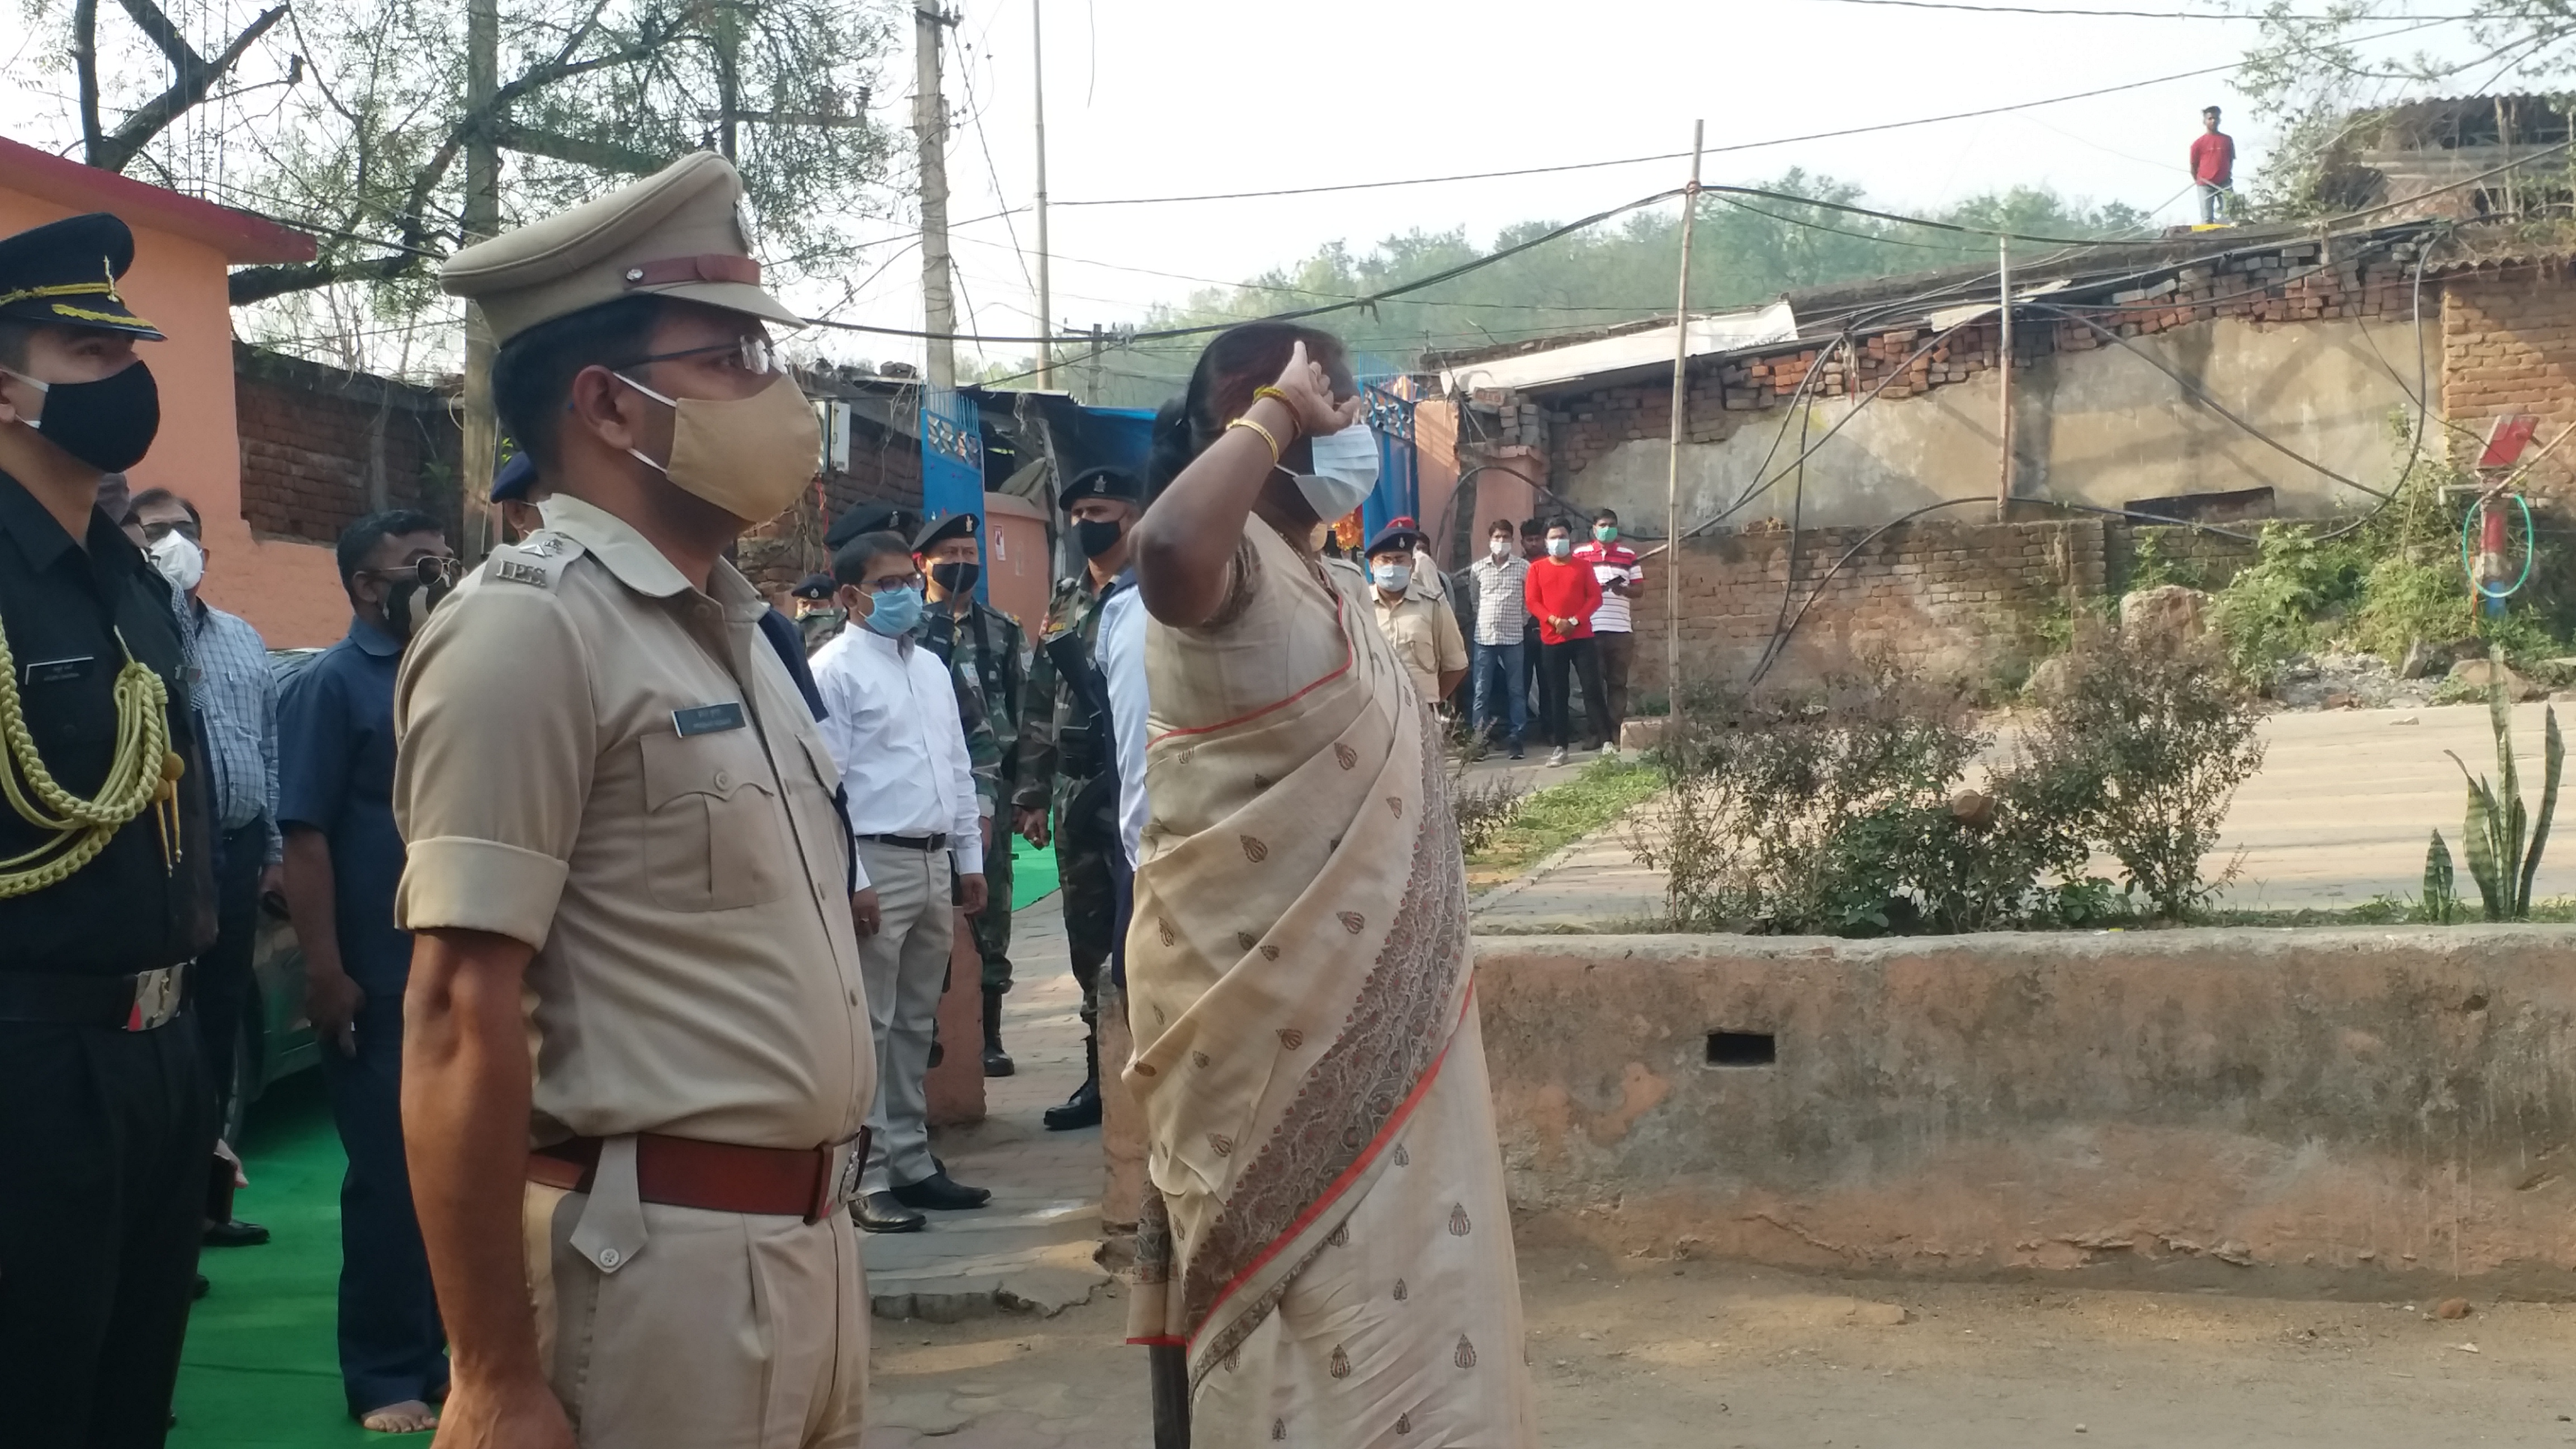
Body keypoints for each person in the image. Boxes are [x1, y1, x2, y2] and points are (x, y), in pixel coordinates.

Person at [396, 151, 874, 1448]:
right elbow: (452, 1009)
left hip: (810, 1251)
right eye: (730, 359)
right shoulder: (526, 633)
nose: (775, 395)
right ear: (609, 404)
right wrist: (492, 1372)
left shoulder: (733, 634)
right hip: (653, 1275)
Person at [1124, 321, 1537, 1446]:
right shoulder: (1227, 578)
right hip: (1266, 1054)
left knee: (1426, 1294)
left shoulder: (1343, 588)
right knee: (1307, 1330)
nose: (1334, 416)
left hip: (1397, 1041)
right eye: (1305, 400)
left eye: (1342, 397)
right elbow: (1168, 555)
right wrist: (1277, 417)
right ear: (1236, 429)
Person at [0, 211, 220, 1449]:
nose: (128, 382)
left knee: (132, 1395)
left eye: (128, 353)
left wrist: (184, 1078)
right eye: (90, 360)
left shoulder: (132, 578)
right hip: (26, 1064)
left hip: (154, 1050)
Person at [277, 509, 457, 1433]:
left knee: (458, 1174)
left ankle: (440, 1356)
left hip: (458, 965)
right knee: (390, 1177)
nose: (436, 576)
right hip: (377, 975)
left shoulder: (455, 676)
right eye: (416, 565)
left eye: (442, 560)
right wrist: (326, 970)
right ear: (364, 586)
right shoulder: (331, 686)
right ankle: (384, 1372)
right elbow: (303, 837)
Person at [808, 530, 992, 1234]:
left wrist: (968, 862)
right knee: (872, 1024)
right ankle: (870, 1175)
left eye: (907, 580)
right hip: (876, 861)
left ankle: (914, 1161)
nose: (905, 593)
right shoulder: (836, 670)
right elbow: (832, 785)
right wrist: (854, 877)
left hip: (932, 854)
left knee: (918, 1019)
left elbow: (954, 767)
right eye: (886, 585)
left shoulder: (933, 669)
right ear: (851, 595)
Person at [127, 488, 281, 1254]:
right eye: (157, 534)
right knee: (164, 1038)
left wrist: (272, 850)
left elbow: (267, 749)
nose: (176, 546)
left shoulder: (243, 639)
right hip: (162, 860)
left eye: (188, 533)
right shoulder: (128, 632)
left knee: (219, 1029)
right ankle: (155, 1228)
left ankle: (204, 1209)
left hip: (239, 848)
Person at [1014, 464, 1140, 1133]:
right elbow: (1039, 700)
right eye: (1077, 513)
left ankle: (1138, 1066)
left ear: (1131, 514)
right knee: (1084, 935)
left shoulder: (1152, 591)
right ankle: (1099, 1075)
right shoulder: (1065, 598)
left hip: (1131, 784)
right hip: (1074, 789)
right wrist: (1031, 792)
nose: (1083, 524)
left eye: (1098, 509)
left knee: (1138, 932)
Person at [914, 510, 1030, 1077]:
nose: (961, 565)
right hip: (924, 784)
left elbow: (1026, 713)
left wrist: (1028, 790)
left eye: (969, 555)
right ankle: (930, 1033)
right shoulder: (907, 628)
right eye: (949, 556)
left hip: (990, 788)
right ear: (924, 564)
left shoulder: (1002, 631)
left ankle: (991, 1035)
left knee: (993, 907)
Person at [1527, 517, 1612, 768]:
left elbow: (1595, 598)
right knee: (1557, 692)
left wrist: (1574, 621)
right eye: (1553, 537)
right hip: (1552, 639)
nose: (1558, 541)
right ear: (1546, 541)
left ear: (1570, 539)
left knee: (1592, 688)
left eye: (1562, 536)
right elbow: (1533, 602)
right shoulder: (1537, 569)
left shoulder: (1583, 567)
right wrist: (1554, 621)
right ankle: (1561, 747)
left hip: (1581, 636)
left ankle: (1607, 741)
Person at [1365, 515, 1468, 709]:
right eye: (1385, 560)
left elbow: (1456, 665)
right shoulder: (1359, 605)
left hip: (1420, 712)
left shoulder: (1433, 605)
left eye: (1399, 560)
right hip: (1374, 711)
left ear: (1411, 566)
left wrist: (1432, 703)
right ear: (1371, 565)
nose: (1392, 566)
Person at [1571, 505, 1645, 749]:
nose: (1607, 530)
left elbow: (1639, 589)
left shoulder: (1628, 555)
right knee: (1592, 686)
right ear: (1593, 530)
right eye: (1602, 526)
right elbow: (1572, 588)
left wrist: (1622, 589)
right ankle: (1596, 733)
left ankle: (1615, 732)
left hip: (1621, 629)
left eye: (1611, 525)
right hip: (1590, 629)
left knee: (1617, 683)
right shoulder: (1580, 555)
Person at [1467, 517, 1531, 759]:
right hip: (1484, 637)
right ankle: (1479, 740)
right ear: (1490, 540)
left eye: (1505, 538)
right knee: (1481, 690)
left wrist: (1521, 621)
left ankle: (1517, 737)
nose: (1501, 542)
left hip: (1514, 636)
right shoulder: (1478, 569)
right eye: (1497, 538)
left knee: (1517, 690)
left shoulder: (1523, 567)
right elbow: (1475, 600)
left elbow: (1529, 602)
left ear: (1512, 541)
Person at [2192, 106, 2236, 225]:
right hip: (2205, 185)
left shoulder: (2227, 140)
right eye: (2210, 118)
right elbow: (2193, 166)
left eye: (2216, 118)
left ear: (2220, 120)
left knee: (2230, 216)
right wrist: (2199, 181)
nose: (2213, 121)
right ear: (2205, 121)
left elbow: (2230, 160)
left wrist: (2226, 176)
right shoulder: (2198, 143)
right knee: (2207, 219)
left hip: (2224, 184)